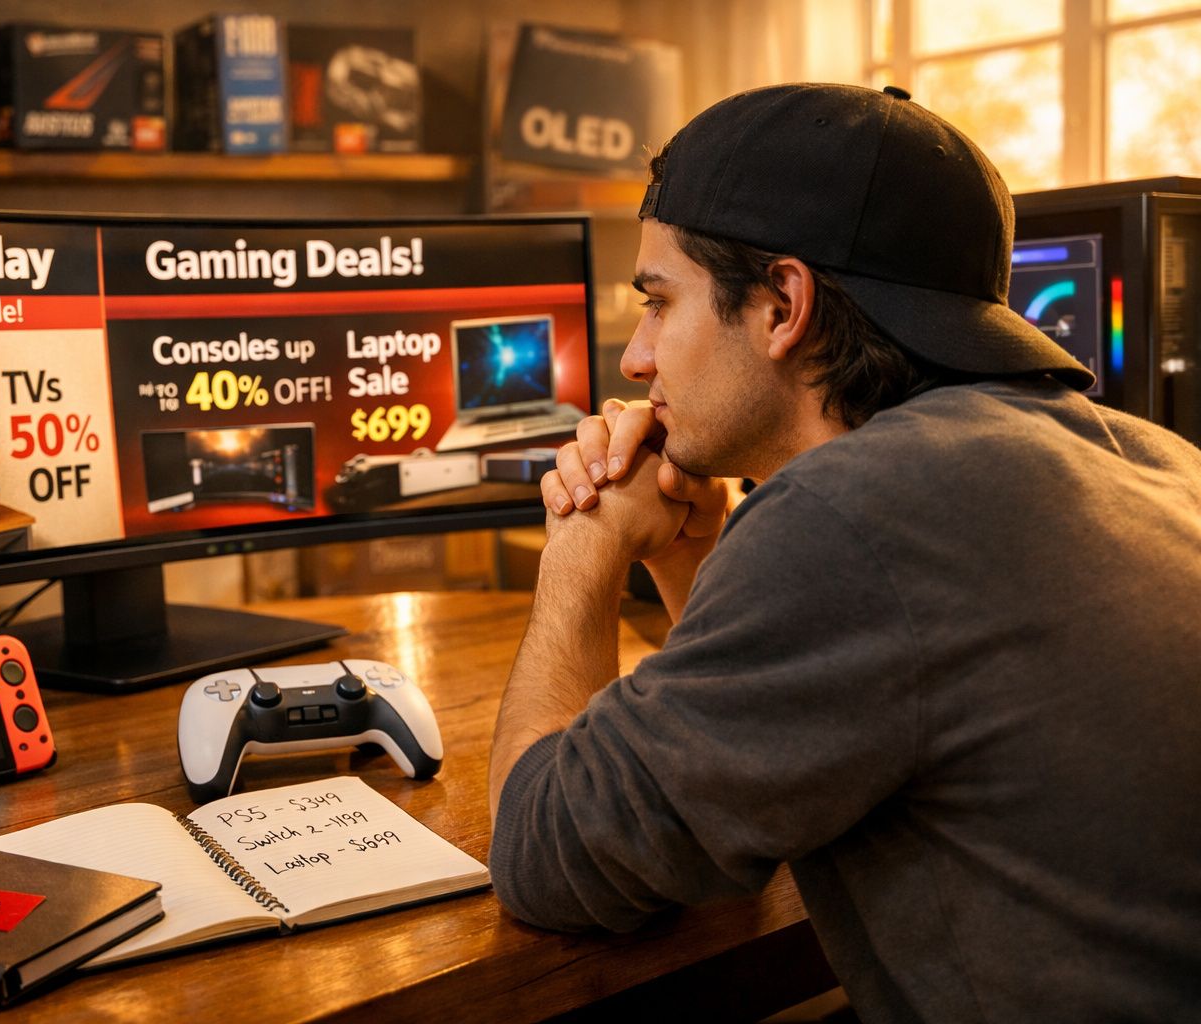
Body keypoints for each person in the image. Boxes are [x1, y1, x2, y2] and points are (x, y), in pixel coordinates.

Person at [486, 82, 1201, 1022]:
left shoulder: (854, 516)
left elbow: (545, 855)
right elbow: (789, 746)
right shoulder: (1149, 454)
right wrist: (689, 556)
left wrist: (583, 541)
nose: (636, 358)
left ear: (783, 303)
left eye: (659, 302)